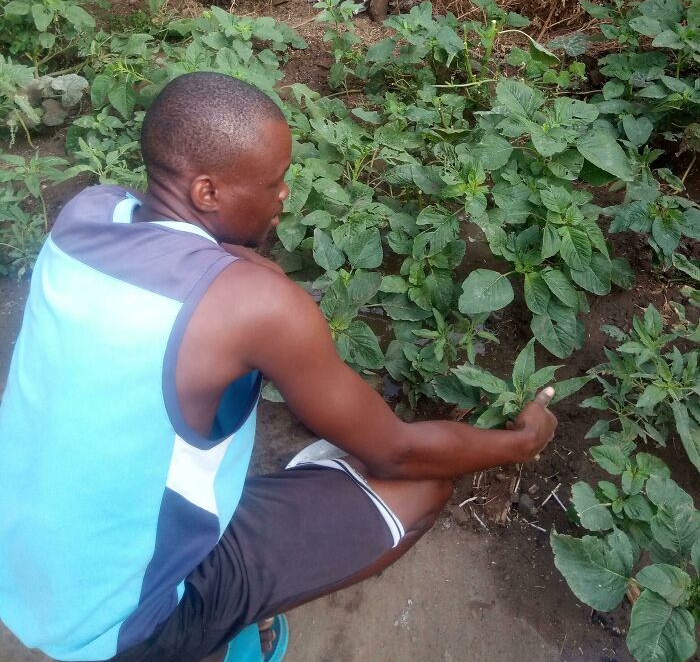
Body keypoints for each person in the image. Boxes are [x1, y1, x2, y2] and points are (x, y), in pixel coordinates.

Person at [0, 71, 557, 662]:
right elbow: (398, 454)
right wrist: (520, 444)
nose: (286, 194)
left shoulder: (89, 211)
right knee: (421, 484)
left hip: (20, 559)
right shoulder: (257, 308)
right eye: (275, 181)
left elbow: (216, 263)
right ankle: (211, 639)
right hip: (125, 625)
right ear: (207, 192)